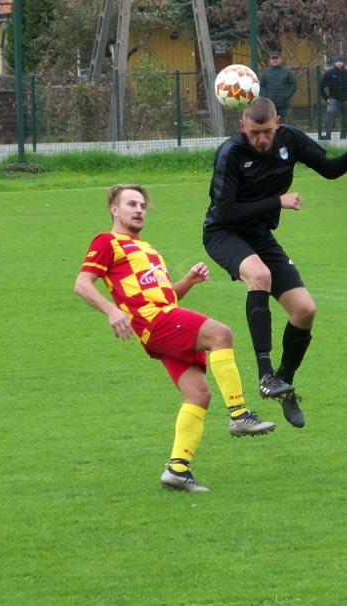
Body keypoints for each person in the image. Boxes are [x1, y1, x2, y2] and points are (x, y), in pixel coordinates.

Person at [75, 185, 275, 494]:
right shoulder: (107, 241)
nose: (139, 209)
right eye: (131, 204)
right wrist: (111, 311)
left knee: (198, 394)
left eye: (142, 204)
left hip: (164, 319)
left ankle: (177, 469)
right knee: (221, 333)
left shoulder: (150, 249)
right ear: (115, 209)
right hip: (153, 321)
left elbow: (167, 296)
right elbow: (82, 283)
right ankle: (239, 414)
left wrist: (188, 282)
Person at [202, 97, 347, 428]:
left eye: (267, 132)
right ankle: (265, 373)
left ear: (277, 123)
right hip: (223, 233)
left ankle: (283, 383)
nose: (262, 139)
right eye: (254, 133)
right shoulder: (231, 153)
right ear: (242, 127)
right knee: (260, 275)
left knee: (305, 310)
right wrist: (276, 201)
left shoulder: (290, 140)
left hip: (260, 236)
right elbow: (225, 211)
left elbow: (330, 169)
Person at [319, 55, 347, 140]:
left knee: (345, 121)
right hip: (333, 100)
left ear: (343, 63)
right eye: (337, 61)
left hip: (346, 100)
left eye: (340, 61)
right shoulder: (329, 73)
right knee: (329, 115)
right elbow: (321, 86)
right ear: (334, 63)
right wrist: (327, 98)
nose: (339, 63)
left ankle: (343, 137)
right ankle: (328, 135)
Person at [259, 52, 298, 122]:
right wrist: (266, 96)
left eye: (276, 58)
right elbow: (261, 86)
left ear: (280, 59)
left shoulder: (286, 72)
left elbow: (294, 85)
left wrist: (286, 96)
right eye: (273, 58)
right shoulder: (265, 72)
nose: (275, 60)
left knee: (282, 124)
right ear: (270, 60)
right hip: (269, 104)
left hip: (283, 104)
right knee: (270, 122)